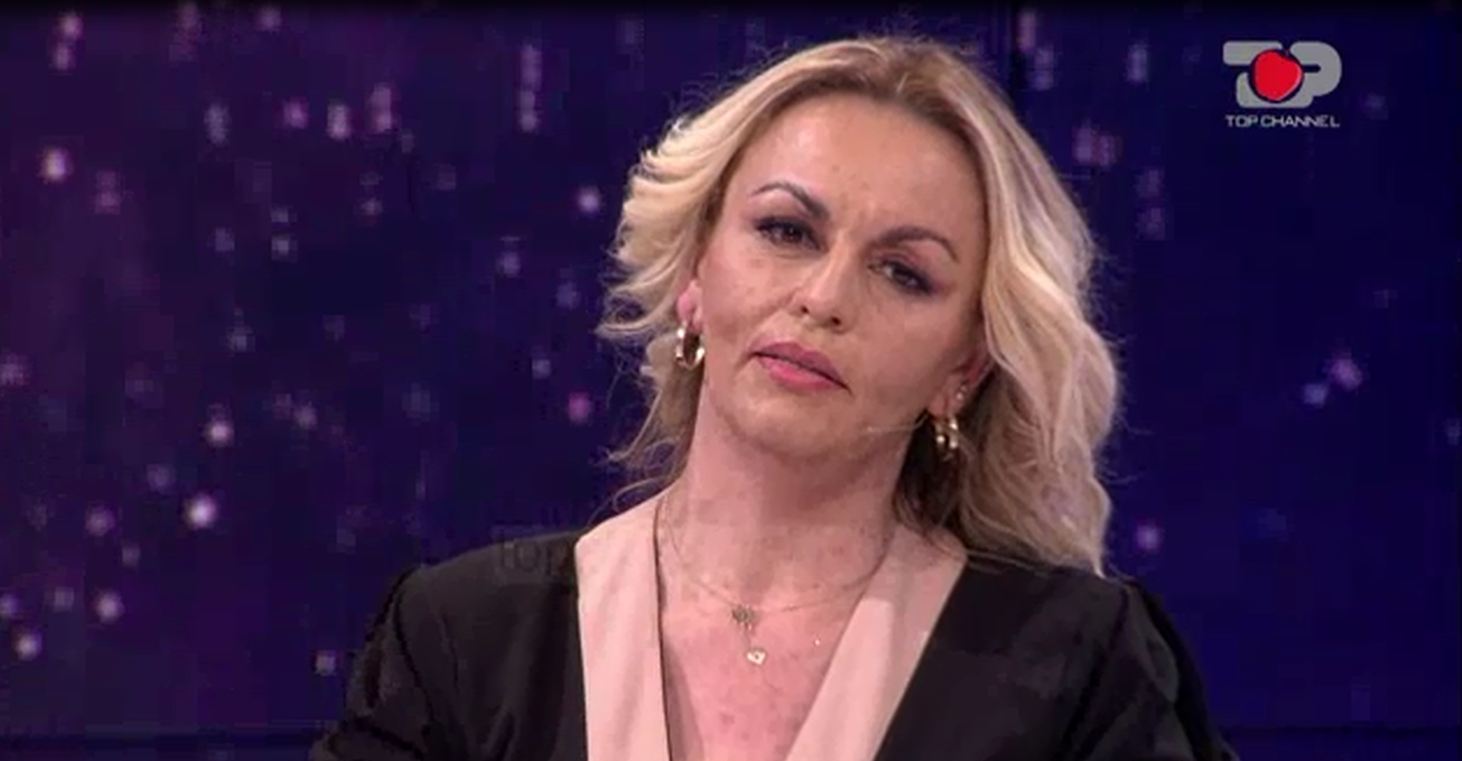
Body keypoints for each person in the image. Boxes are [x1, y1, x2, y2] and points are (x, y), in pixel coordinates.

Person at [310, 34, 1239, 761]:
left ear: (964, 367)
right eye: (788, 231)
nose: (824, 297)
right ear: (695, 274)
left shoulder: (1079, 669)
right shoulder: (463, 639)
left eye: (904, 273)